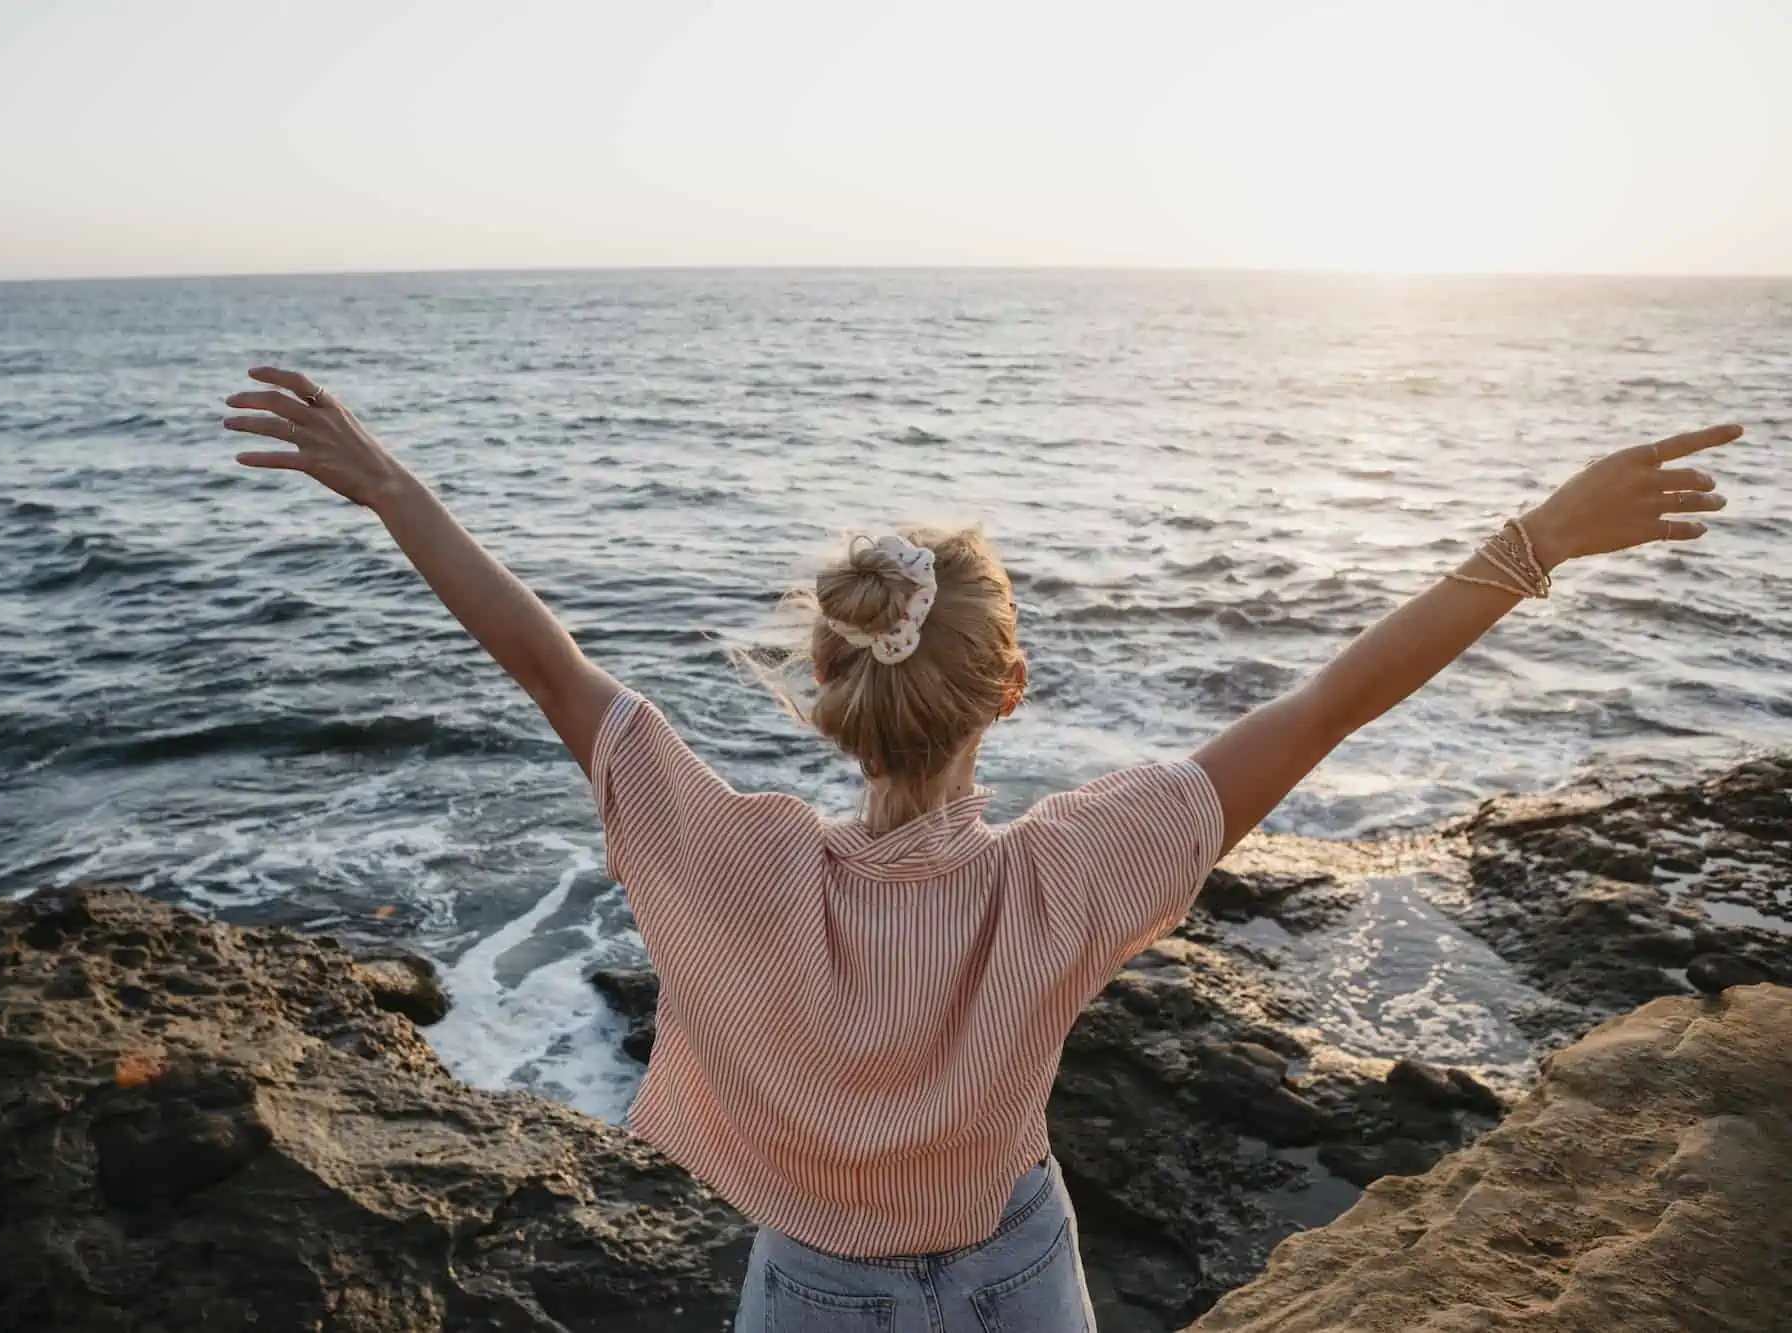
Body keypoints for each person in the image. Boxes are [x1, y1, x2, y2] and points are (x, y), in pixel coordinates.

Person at [223, 366, 1740, 1332]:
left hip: (814, 1292)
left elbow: (548, 663)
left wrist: (390, 487)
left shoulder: (730, 864)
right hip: (1022, 1274)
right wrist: (1532, 540)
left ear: (826, 692)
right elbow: (1329, 700)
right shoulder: (1075, 871)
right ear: (1008, 690)